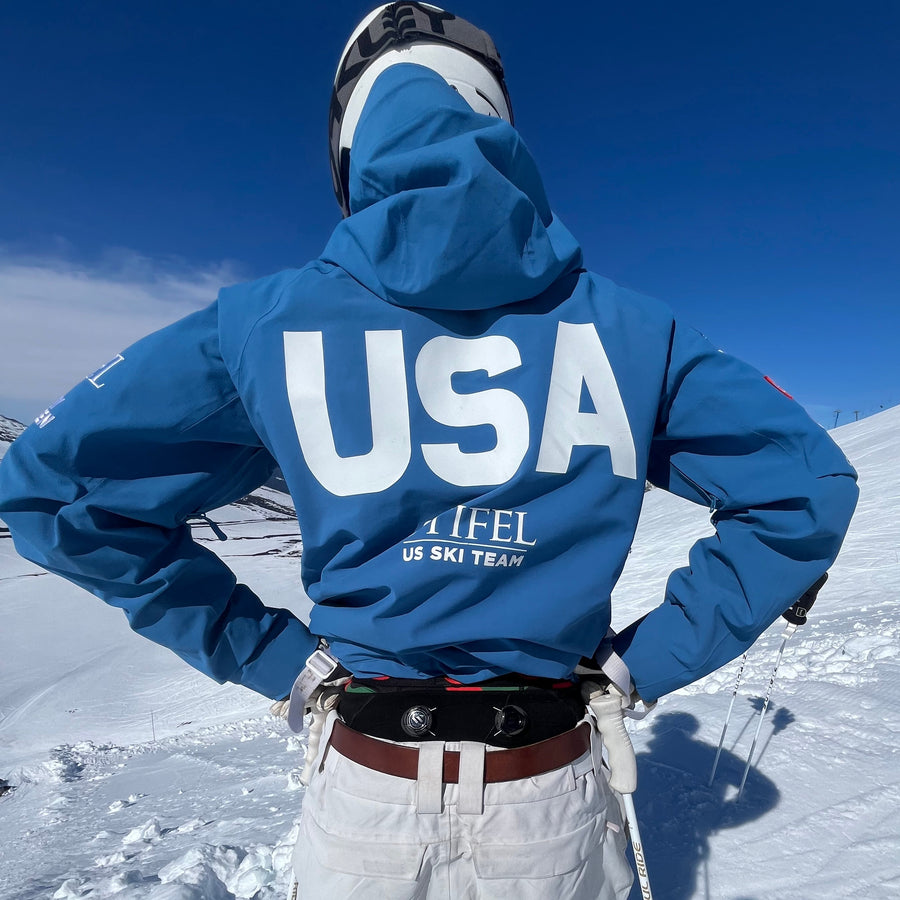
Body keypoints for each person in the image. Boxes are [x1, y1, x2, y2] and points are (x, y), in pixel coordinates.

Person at [0, 3, 858, 898]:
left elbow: (54, 493)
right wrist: (643, 660)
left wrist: (266, 656)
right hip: (553, 786)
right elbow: (807, 487)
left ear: (347, 146)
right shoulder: (636, 331)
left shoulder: (257, 326)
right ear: (502, 127)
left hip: (366, 791)